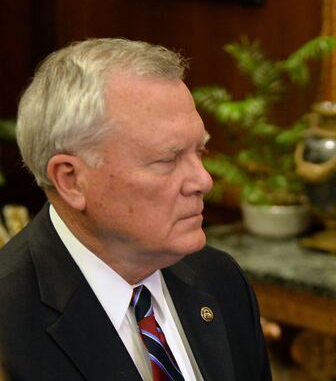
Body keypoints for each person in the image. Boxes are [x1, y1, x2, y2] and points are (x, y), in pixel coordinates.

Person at [0, 38, 272, 380]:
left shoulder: (219, 279)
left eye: (199, 151)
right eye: (167, 159)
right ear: (71, 180)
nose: (203, 180)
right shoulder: (9, 326)